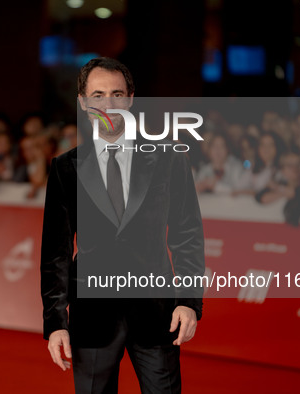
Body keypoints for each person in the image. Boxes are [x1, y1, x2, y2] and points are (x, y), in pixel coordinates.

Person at [40, 57, 204, 393]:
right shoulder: (65, 168)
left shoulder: (170, 159)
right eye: (98, 96)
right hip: (92, 317)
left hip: (158, 315)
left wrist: (188, 301)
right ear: (84, 103)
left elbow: (187, 236)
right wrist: (55, 322)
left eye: (117, 94)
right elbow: (55, 252)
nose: (109, 104)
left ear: (130, 98)